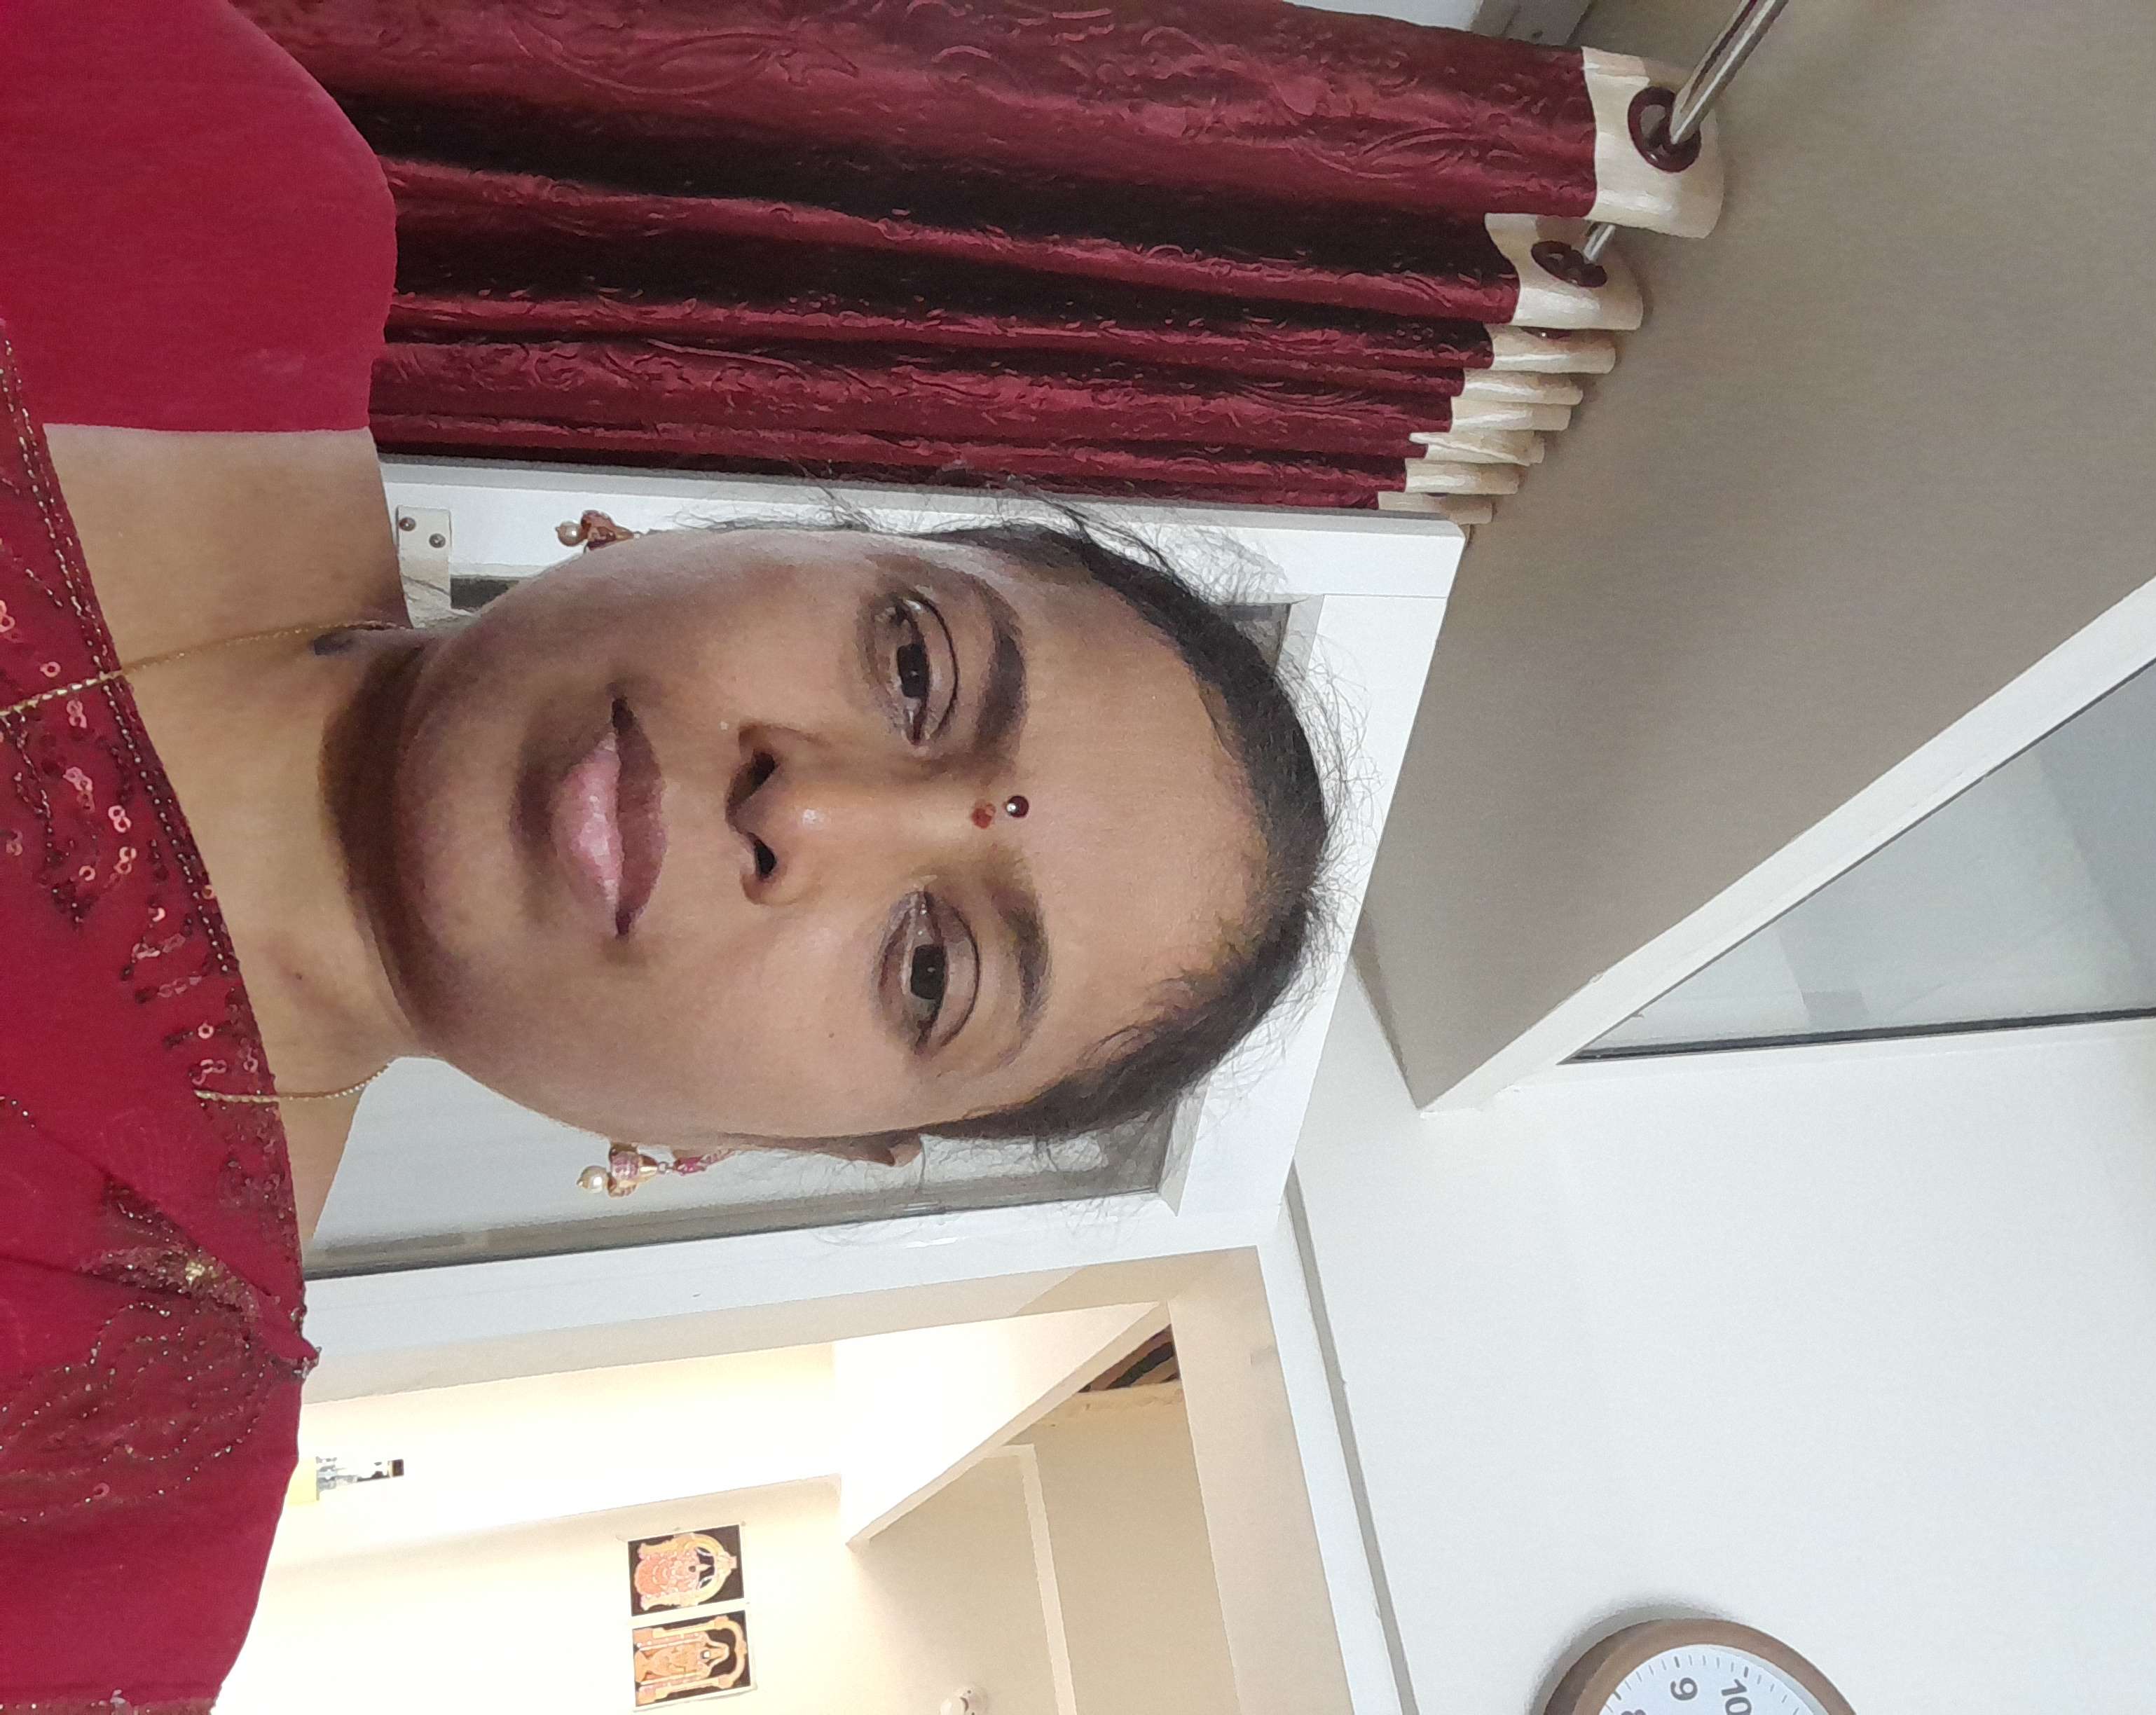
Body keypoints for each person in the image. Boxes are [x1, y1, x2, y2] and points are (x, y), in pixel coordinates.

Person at [0, 1, 1328, 1707]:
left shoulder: (108, 1512)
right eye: (913, 665)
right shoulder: (215, 195)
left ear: (771, 1145)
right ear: (750, 527)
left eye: (934, 966)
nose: (807, 813)